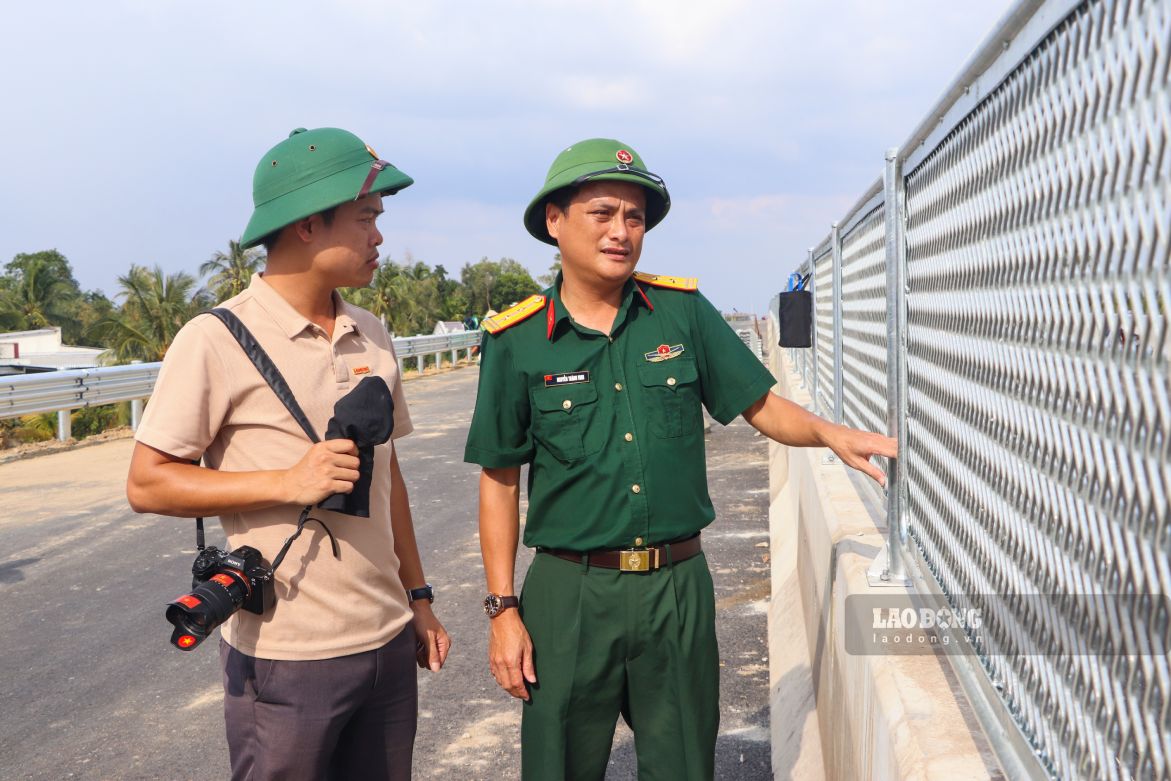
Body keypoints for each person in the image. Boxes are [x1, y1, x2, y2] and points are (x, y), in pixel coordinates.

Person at [463, 138, 896, 780]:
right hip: (570, 594)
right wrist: (503, 611)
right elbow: (499, 480)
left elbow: (759, 405)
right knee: (558, 765)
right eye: (602, 213)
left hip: (676, 586)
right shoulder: (518, 340)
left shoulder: (682, 313)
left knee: (684, 764)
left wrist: (831, 434)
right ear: (554, 221)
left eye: (634, 218)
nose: (621, 232)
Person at [127, 127, 450, 780]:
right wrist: (288, 480)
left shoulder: (371, 332)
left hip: (387, 640)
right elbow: (148, 483)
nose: (378, 237)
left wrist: (417, 598)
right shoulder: (215, 338)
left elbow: (389, 479)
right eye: (366, 219)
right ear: (307, 224)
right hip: (287, 657)